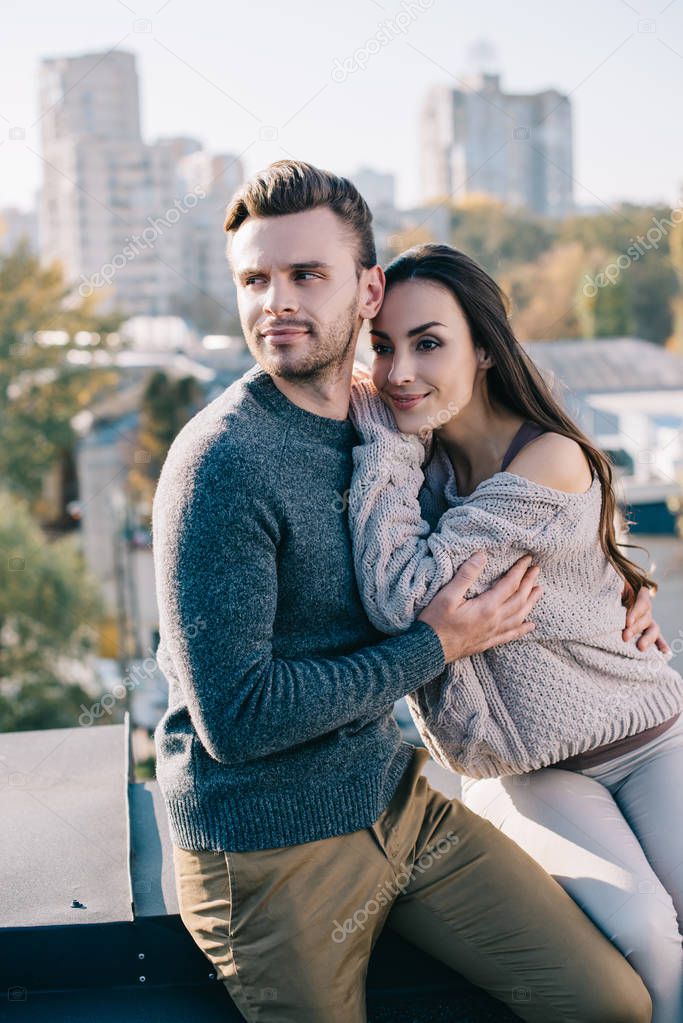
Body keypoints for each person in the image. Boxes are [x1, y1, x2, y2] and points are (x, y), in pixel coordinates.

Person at [152, 160, 655, 1023]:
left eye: (306, 274)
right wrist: (433, 645)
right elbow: (236, 719)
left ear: (366, 287)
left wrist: (617, 587)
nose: (276, 300)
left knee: (610, 1002)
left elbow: (508, 509)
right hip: (269, 849)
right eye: (254, 279)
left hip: (398, 805)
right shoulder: (221, 466)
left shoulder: (383, 416)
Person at [346, 241, 683, 1023]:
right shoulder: (413, 467)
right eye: (382, 347)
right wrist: (392, 441)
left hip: (650, 740)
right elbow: (408, 599)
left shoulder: (551, 456)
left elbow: (407, 589)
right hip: (527, 769)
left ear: (486, 351)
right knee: (646, 938)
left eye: (428, 342)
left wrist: (630, 577)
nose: (399, 372)